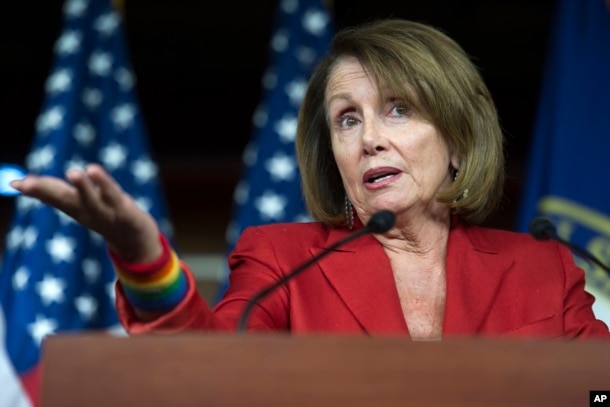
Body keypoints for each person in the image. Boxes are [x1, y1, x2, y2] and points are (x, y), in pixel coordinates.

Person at [10, 19, 610, 339]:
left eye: (398, 109)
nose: (369, 136)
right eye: (347, 119)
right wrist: (143, 257)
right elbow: (207, 371)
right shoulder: (281, 260)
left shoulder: (543, 267)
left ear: (457, 141)